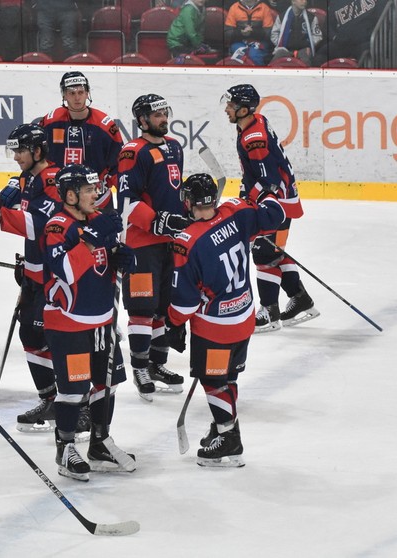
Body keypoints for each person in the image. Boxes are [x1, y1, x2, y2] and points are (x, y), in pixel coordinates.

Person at [166, 174, 286, 467]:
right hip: (244, 316)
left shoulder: (187, 242)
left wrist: (174, 324)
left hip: (215, 327)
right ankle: (225, 422)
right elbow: (277, 214)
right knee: (228, 376)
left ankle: (229, 438)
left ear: (190, 202)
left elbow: (186, 301)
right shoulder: (236, 212)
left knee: (213, 380)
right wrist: (265, 193)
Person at [0, 124, 64, 433]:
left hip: (56, 276)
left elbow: (43, 226)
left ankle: (76, 403)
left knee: (57, 339)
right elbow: (10, 202)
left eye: (20, 150)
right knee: (31, 337)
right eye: (14, 151)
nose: (16, 156)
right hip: (36, 273)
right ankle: (51, 400)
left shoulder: (54, 181)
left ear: (37, 151)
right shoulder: (27, 179)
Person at [43, 164, 136, 480]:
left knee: (106, 383)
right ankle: (66, 448)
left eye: (96, 188)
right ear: (70, 195)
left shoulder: (98, 220)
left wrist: (122, 258)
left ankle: (100, 442)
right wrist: (93, 240)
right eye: (87, 190)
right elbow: (65, 272)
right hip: (69, 322)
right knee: (73, 390)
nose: (95, 194)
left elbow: (105, 262)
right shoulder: (58, 226)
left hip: (102, 318)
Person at [222, 84, 318, 331]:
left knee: (264, 254)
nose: (226, 109)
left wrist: (252, 199)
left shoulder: (254, 138)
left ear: (244, 109)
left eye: (231, 105)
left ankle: (269, 314)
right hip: (285, 198)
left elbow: (269, 182)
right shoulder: (254, 122)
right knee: (274, 252)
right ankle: (300, 299)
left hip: (276, 202)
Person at [116, 93, 186, 401]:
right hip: (142, 242)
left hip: (170, 242)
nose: (163, 118)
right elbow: (127, 201)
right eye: (157, 114)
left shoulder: (174, 146)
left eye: (164, 112)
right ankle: (140, 367)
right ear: (142, 120)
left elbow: (175, 191)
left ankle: (157, 365)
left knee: (162, 307)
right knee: (142, 308)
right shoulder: (133, 152)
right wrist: (156, 221)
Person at [38, 72, 123, 211]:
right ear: (64, 95)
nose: (77, 98)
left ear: (87, 93)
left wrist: (104, 184)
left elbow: (118, 164)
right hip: (62, 198)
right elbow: (39, 158)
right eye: (71, 93)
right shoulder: (50, 122)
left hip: (97, 198)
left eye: (81, 92)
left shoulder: (105, 125)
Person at [312, 0, 386, 66]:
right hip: (342, 43)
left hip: (364, 42)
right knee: (320, 55)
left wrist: (368, 36)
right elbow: (327, 26)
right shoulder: (335, 2)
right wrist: (335, 37)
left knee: (366, 57)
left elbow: (383, 21)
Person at [270, 0, 322, 65]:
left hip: (304, 49)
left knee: (306, 62)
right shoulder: (282, 17)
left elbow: (318, 36)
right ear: (293, 1)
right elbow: (274, 34)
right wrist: (281, 44)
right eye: (301, 0)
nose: (304, 1)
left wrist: (308, 45)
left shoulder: (311, 18)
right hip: (285, 49)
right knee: (274, 63)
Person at [224, 0, 276, 65]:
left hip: (260, 42)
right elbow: (227, 33)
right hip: (239, 41)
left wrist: (253, 32)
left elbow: (269, 33)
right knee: (239, 55)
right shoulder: (234, 7)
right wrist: (241, 33)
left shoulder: (264, 8)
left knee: (254, 55)